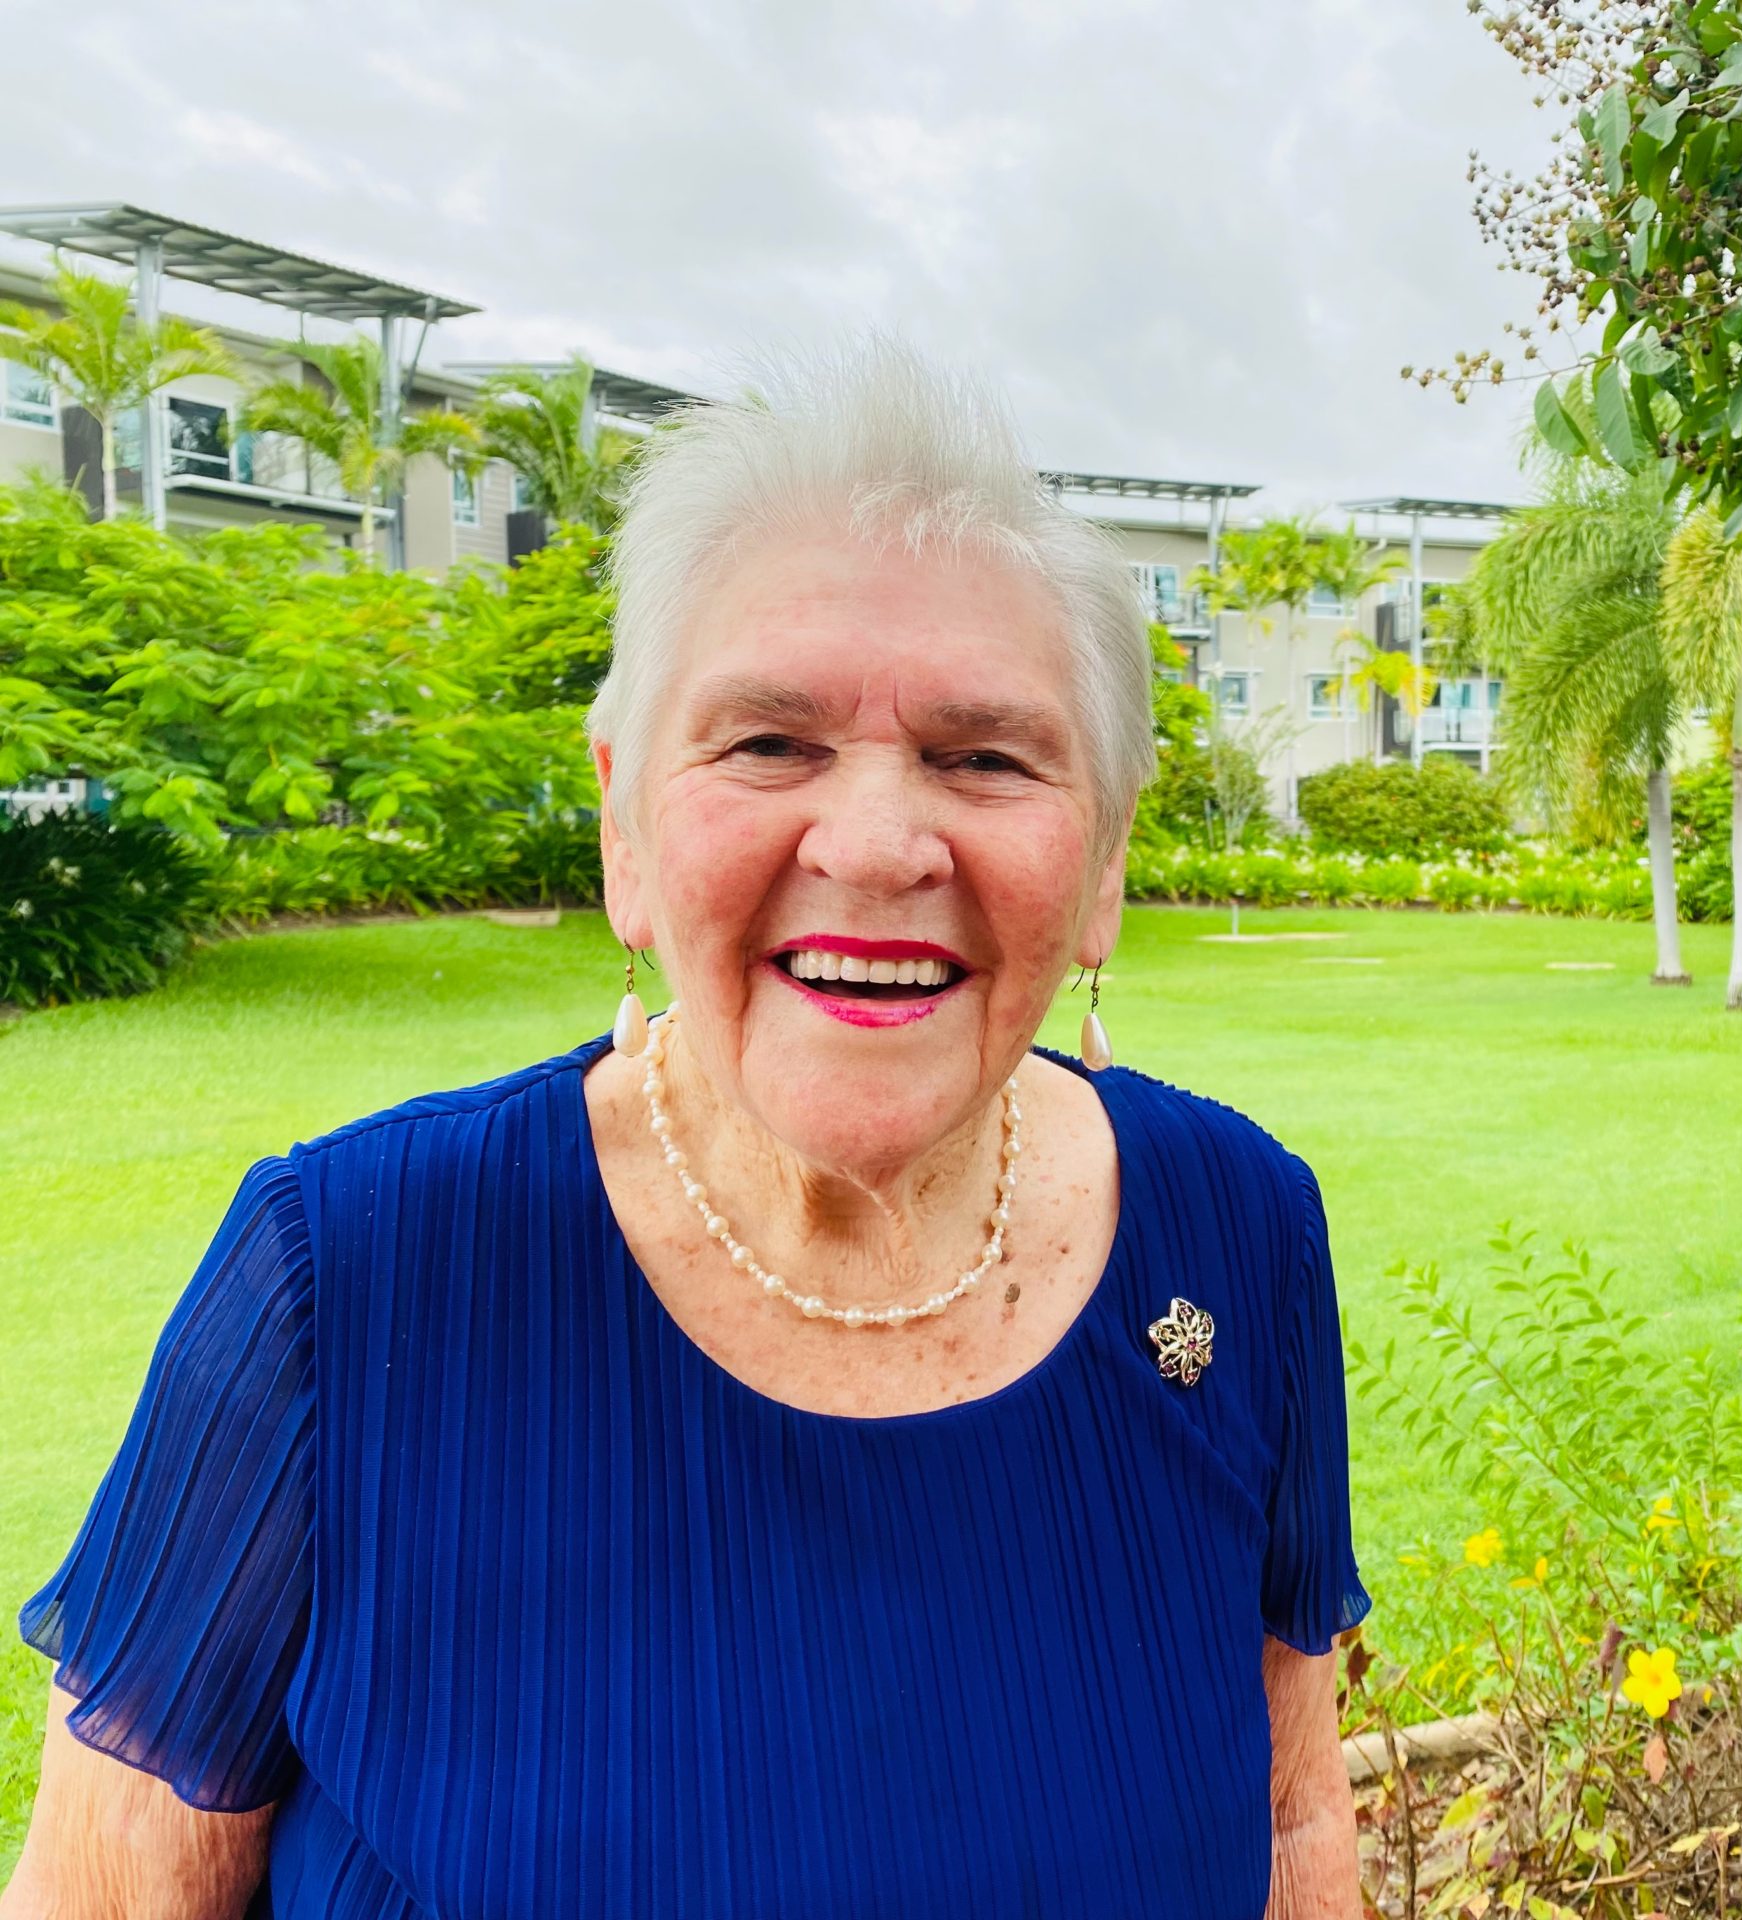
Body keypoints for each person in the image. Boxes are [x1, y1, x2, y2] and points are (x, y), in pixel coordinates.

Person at [4, 338, 1372, 1918]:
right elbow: (105, 1896)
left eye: (983, 756)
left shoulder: (1237, 1231)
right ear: (625, 832)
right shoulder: (348, 1278)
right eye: (769, 743)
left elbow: (1289, 1824)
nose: (872, 843)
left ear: (1108, 865)